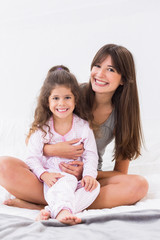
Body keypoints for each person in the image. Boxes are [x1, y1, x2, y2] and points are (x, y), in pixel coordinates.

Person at [0, 44, 148, 211]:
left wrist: (87, 173)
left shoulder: (123, 115)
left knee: (139, 185)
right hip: (51, 173)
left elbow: (121, 174)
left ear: (123, 79)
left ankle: (44, 204)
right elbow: (32, 140)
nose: (100, 74)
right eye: (97, 66)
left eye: (111, 70)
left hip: (85, 180)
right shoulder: (72, 94)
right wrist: (55, 150)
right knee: (3, 165)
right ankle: (63, 203)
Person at [24, 65, 100, 224]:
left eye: (67, 97)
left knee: (94, 188)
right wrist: (44, 174)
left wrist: (89, 176)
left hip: (76, 179)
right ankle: (63, 213)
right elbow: (32, 157)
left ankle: (51, 210)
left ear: (75, 99)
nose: (62, 103)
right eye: (56, 98)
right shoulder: (43, 128)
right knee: (67, 181)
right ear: (47, 101)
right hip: (53, 180)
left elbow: (91, 155)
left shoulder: (83, 127)